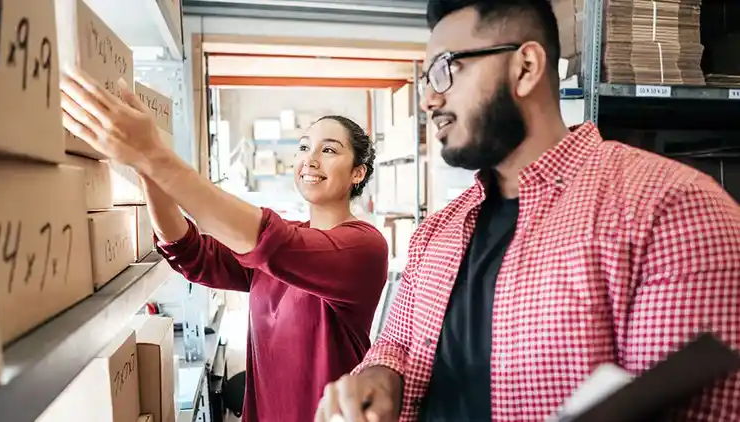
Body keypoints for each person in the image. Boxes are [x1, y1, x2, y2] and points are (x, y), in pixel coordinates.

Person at [316, 0, 740, 421]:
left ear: (525, 68)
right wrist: (380, 375)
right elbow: (397, 345)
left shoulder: (672, 211)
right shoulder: (437, 232)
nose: (428, 99)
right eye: (428, 79)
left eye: (446, 69)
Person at [58, 73, 390, 421]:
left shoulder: (364, 247)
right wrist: (145, 168)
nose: (310, 159)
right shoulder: (288, 240)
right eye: (304, 146)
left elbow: (271, 243)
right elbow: (192, 254)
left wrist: (154, 155)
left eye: (329, 150)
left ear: (357, 173)